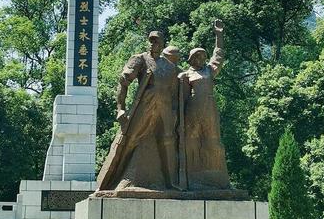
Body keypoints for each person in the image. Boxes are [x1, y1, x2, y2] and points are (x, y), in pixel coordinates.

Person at [97, 31, 178, 191]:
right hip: (145, 106)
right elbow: (123, 81)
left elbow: (175, 91)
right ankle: (117, 179)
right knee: (131, 139)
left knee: (167, 141)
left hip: (165, 109)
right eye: (150, 41)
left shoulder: (170, 66)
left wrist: (175, 113)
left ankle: (171, 182)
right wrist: (120, 109)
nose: (152, 44)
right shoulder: (140, 59)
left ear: (162, 44)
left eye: (156, 41)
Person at [179, 20, 230, 190]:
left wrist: (219, 35)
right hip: (193, 110)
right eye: (198, 56)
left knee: (213, 140)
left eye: (203, 56)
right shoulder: (185, 75)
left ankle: (217, 178)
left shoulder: (209, 70)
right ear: (191, 59)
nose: (202, 59)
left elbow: (219, 56)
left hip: (209, 108)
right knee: (191, 141)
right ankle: (191, 177)